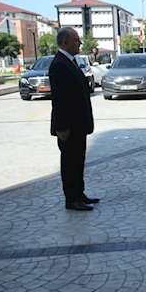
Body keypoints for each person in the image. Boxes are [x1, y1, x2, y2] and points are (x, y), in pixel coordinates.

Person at [49, 27, 97, 211]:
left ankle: (79, 193)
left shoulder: (71, 61)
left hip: (78, 124)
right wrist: (61, 127)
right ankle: (71, 199)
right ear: (64, 43)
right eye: (76, 40)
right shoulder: (60, 64)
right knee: (70, 163)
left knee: (78, 160)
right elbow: (59, 99)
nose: (80, 43)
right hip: (69, 127)